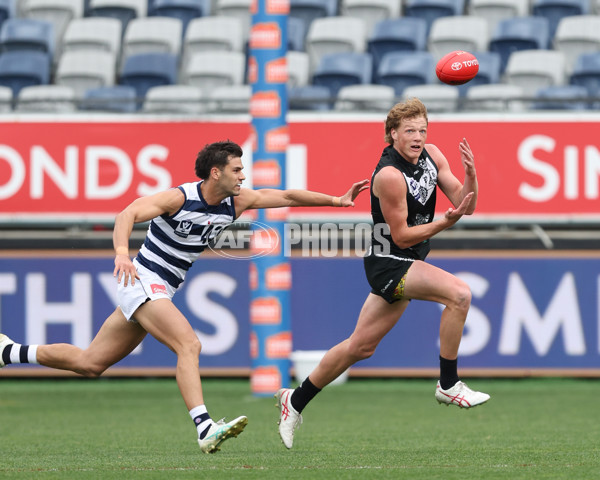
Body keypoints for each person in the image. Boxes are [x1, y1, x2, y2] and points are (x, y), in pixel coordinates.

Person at [0, 140, 369, 454]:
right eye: (237, 169)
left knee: (90, 363)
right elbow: (127, 213)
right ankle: (205, 428)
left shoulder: (236, 202)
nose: (243, 175)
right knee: (189, 345)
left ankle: (8, 352)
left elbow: (287, 195)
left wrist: (337, 201)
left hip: (162, 287)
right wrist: (120, 253)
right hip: (142, 278)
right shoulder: (178, 197)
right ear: (215, 173)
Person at [275, 98, 490, 449]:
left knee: (360, 347)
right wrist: (444, 222)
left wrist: (472, 176)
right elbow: (403, 235)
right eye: (410, 131)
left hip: (407, 259)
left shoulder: (434, 155)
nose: (418, 137)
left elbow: (467, 203)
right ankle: (448, 385)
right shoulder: (389, 175)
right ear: (392, 135)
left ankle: (294, 401)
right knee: (460, 295)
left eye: (422, 130)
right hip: (389, 261)